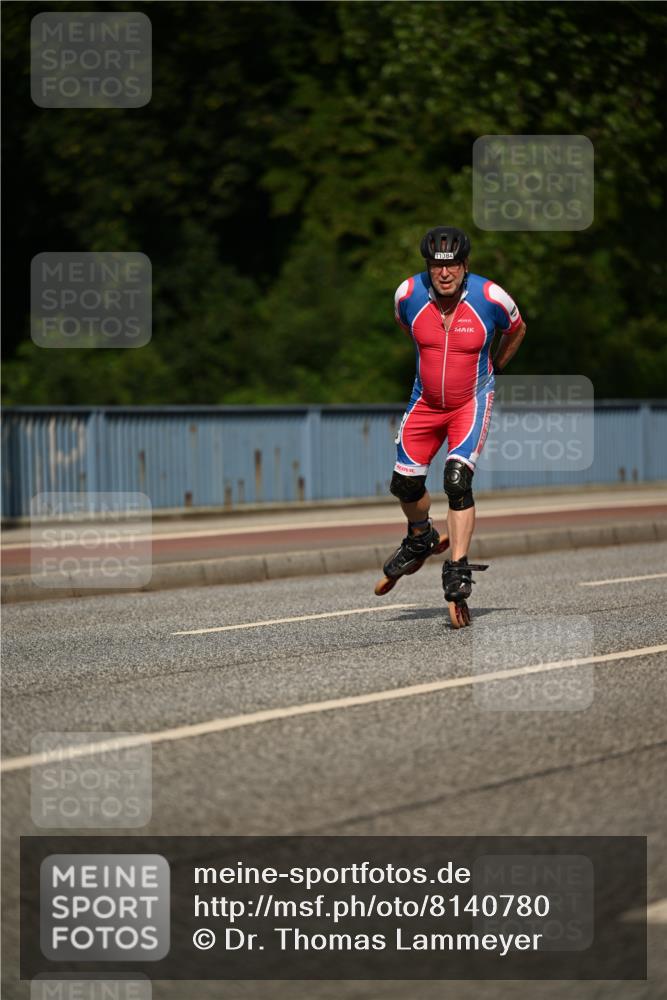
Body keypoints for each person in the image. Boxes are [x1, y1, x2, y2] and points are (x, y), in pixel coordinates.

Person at [385, 225, 526, 604]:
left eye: (452, 266)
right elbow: (411, 333)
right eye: (435, 266)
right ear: (428, 267)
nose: (443, 274)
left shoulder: (491, 297)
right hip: (425, 402)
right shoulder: (408, 295)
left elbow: (517, 329)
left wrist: (496, 363)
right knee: (403, 485)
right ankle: (420, 537)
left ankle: (458, 567)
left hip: (470, 402)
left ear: (465, 265)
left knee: (456, 480)